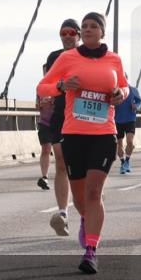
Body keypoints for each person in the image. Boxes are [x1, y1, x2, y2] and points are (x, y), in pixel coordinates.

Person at [38, 12, 128, 274]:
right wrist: (63, 85)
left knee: (93, 192)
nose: (88, 30)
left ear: (102, 32)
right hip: (74, 133)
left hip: (103, 133)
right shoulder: (67, 58)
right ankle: (86, 220)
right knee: (79, 198)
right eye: (85, 26)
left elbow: (124, 87)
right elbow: (44, 87)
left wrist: (119, 94)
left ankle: (91, 250)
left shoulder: (114, 59)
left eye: (93, 26)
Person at [44, 19, 81, 236]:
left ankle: (89, 203)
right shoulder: (54, 57)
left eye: (71, 32)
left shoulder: (90, 56)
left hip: (84, 116)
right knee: (60, 162)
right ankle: (62, 214)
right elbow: (47, 83)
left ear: (78, 35)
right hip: (60, 114)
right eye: (63, 32)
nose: (67, 36)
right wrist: (56, 88)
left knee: (82, 166)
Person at [114, 77, 141, 174]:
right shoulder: (114, 90)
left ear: (126, 79)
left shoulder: (133, 89)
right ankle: (122, 163)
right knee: (119, 143)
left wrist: (136, 106)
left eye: (124, 78)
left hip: (130, 119)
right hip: (117, 120)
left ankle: (127, 161)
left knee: (130, 142)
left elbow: (139, 101)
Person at [35, 84, 54, 191]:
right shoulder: (40, 88)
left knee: (61, 153)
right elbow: (36, 106)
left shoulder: (61, 86)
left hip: (59, 123)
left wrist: (54, 101)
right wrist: (41, 104)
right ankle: (44, 177)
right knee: (46, 149)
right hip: (44, 123)